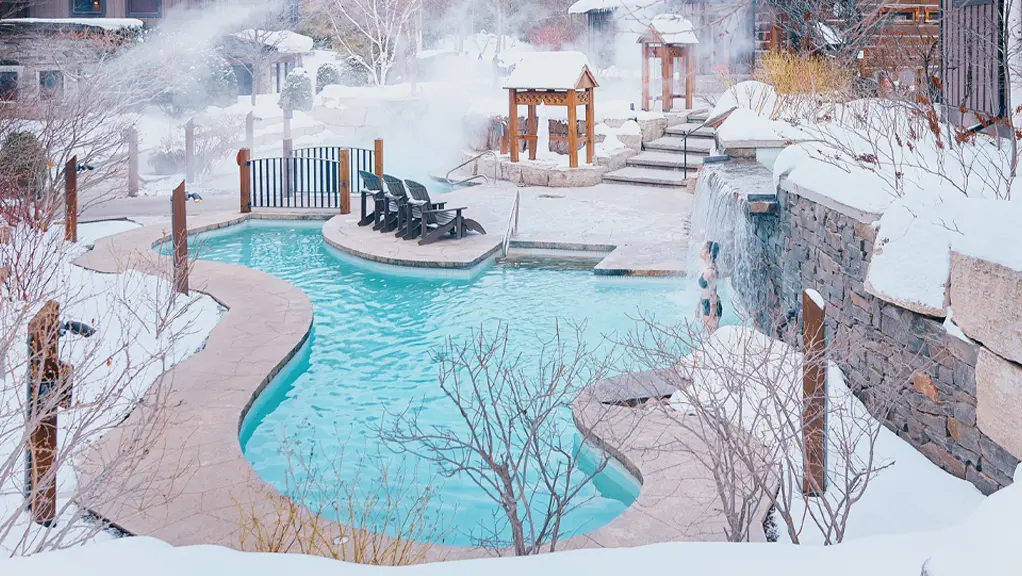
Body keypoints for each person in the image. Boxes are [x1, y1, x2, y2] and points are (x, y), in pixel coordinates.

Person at [696, 240, 722, 333]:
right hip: (706, 303)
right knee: (708, 336)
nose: (700, 250)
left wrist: (712, 315)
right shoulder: (707, 267)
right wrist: (698, 306)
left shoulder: (711, 271)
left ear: (708, 252)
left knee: (711, 336)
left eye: (703, 248)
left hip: (711, 305)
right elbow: (704, 290)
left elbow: (713, 293)